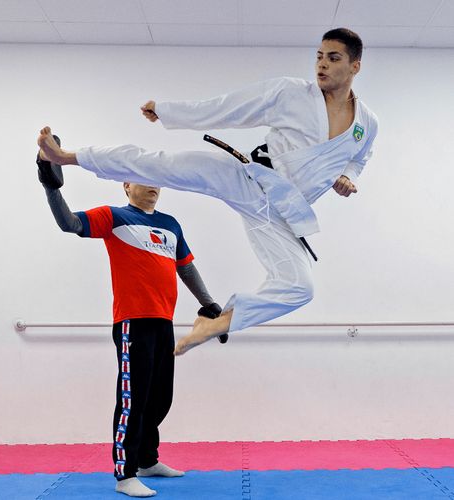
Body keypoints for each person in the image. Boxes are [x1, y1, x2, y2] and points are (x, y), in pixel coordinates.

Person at [37, 27, 378, 357]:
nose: (321, 64)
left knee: (300, 288)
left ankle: (217, 323)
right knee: (163, 165)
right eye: (319, 56)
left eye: (333, 58)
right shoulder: (292, 94)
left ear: (354, 66)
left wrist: (348, 175)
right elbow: (227, 107)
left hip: (279, 213)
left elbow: (360, 157)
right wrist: (170, 111)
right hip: (249, 178)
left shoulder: (367, 123)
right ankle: (67, 157)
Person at [37, 155, 223, 497]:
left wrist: (208, 303)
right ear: (126, 185)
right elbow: (70, 224)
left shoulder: (171, 224)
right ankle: (124, 474)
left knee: (159, 398)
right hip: (131, 323)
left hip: (163, 321)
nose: (152, 185)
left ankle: (147, 460)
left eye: (156, 180)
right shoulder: (114, 216)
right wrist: (51, 187)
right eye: (143, 179)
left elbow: (186, 268)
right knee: (133, 398)